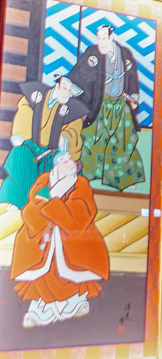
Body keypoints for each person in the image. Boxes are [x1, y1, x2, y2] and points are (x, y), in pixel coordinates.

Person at [9, 137, 110, 327]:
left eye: (70, 160)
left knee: (73, 259)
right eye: (64, 161)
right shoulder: (44, 180)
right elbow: (32, 206)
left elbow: (82, 213)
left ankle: (74, 299)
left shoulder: (80, 184)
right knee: (40, 260)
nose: (69, 163)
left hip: (71, 236)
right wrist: (52, 203)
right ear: (57, 166)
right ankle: (42, 304)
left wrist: (54, 204)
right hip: (43, 234)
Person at [67, 23, 144, 191]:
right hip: (99, 105)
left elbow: (131, 78)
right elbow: (80, 73)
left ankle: (124, 177)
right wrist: (71, 88)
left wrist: (133, 97)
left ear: (111, 36)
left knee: (124, 141)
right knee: (92, 139)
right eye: (99, 37)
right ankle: (88, 175)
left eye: (104, 37)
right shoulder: (92, 53)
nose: (101, 41)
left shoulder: (125, 54)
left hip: (120, 106)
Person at [0, 76, 86, 209]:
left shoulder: (73, 109)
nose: (66, 93)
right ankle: (19, 202)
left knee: (58, 172)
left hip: (53, 152)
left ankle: (40, 205)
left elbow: (74, 130)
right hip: (31, 147)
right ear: (56, 86)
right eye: (64, 88)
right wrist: (22, 137)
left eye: (70, 90)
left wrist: (64, 138)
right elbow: (24, 111)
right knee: (20, 157)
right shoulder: (35, 95)